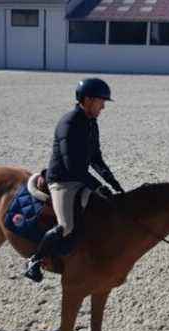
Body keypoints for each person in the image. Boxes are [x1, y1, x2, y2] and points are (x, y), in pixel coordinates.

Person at [23, 78, 124, 282]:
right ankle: (34, 260)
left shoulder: (91, 123)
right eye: (100, 101)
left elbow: (95, 158)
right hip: (62, 181)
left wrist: (112, 182)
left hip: (80, 177)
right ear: (87, 100)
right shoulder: (68, 123)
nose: (103, 106)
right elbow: (72, 168)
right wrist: (98, 186)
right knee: (66, 226)